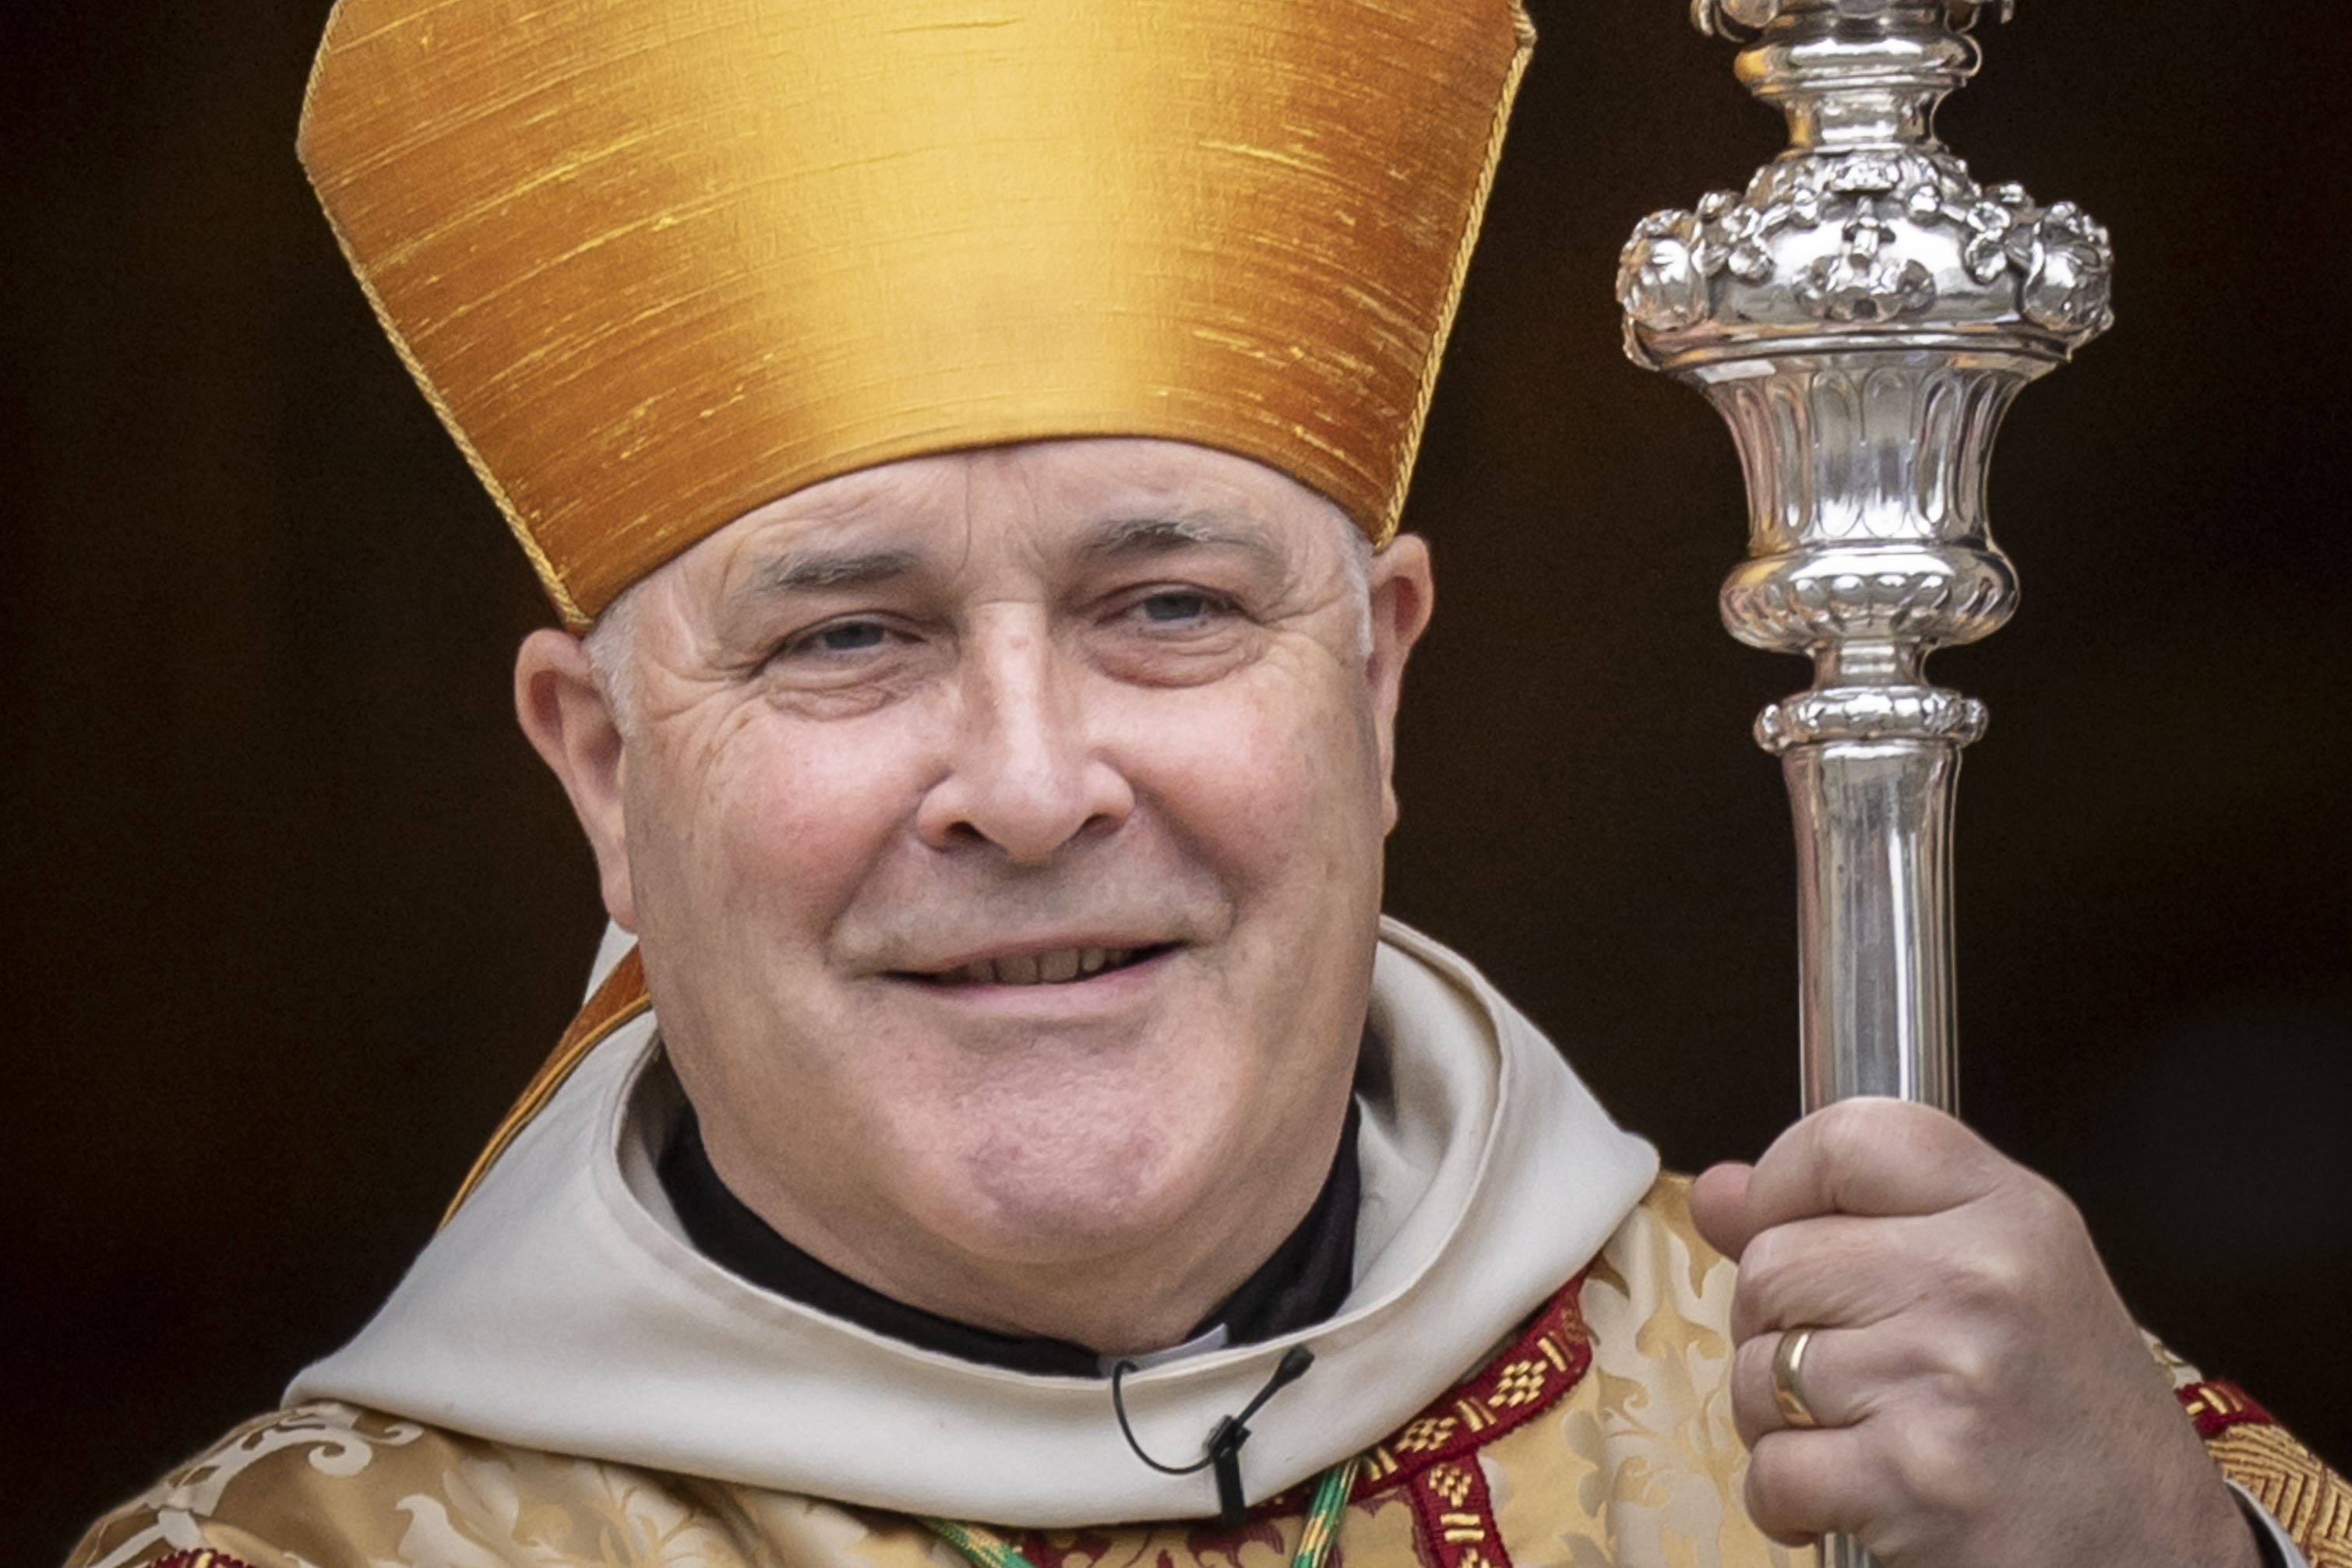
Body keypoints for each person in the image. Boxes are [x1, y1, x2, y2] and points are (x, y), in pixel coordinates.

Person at [69, 2, 2347, 1566]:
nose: (1034, 784)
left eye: (1164, 606)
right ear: (601, 769)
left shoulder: (1935, 1445)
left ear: (1375, 684)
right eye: (847, 635)